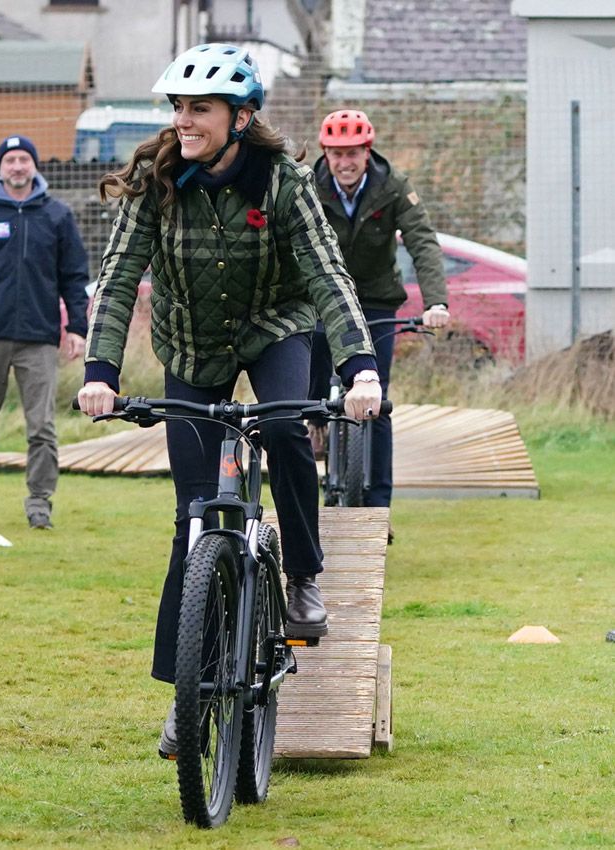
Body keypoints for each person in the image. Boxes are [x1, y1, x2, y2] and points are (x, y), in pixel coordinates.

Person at [76, 43, 382, 757]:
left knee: (281, 431)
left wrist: (360, 367)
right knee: (192, 518)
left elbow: (327, 275)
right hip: (191, 346)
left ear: (240, 117)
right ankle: (189, 693)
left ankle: (303, 572)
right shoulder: (159, 178)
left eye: (200, 109)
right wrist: (100, 369)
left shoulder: (280, 180)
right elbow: (119, 277)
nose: (184, 120)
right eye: (178, 108)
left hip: (275, 328)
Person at [310, 109, 451, 540]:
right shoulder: (308, 187)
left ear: (366, 153)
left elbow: (422, 241)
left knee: (378, 400)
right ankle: (316, 420)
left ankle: (378, 507)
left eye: (352, 153)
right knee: (310, 381)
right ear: (326, 155)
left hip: (375, 300)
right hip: (319, 296)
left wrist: (436, 301)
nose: (344, 163)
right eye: (336, 154)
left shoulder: (392, 187)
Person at [0, 134, 89, 530]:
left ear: (35, 166)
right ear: (0, 168)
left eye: (24, 159)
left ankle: (39, 503)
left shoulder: (57, 215)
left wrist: (76, 327)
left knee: (41, 428)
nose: (18, 167)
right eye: (10, 161)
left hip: (39, 340)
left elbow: (74, 277)